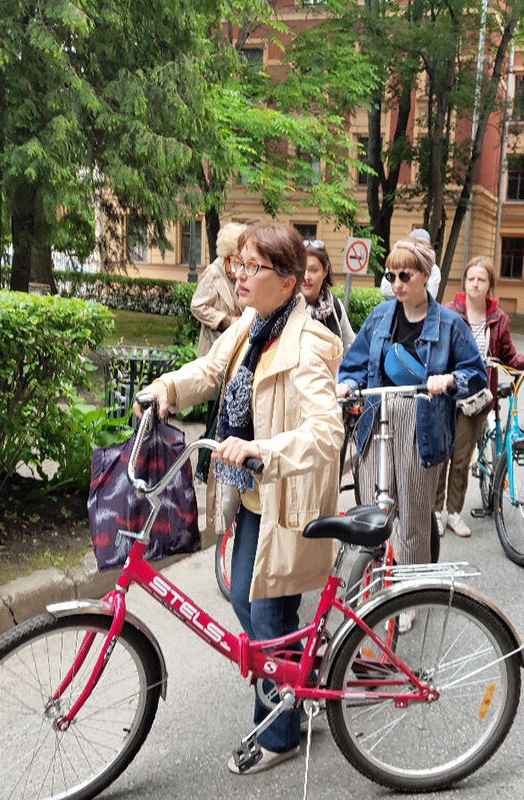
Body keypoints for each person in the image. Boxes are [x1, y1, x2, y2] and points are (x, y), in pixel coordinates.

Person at [137, 222, 343, 772]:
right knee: (251, 604)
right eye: (239, 265)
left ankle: (279, 734)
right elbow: (210, 370)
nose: (240, 275)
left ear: (289, 280)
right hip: (253, 497)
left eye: (252, 267)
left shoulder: (309, 344)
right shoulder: (252, 324)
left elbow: (327, 432)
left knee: (266, 614)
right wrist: (166, 388)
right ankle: (295, 683)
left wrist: (262, 450)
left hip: (287, 502)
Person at [337, 237, 486, 566]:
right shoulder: (379, 317)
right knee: (374, 513)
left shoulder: (449, 324)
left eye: (405, 275)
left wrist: (449, 380)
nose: (397, 284)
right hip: (376, 418)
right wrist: (347, 384)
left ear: (425, 274)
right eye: (391, 276)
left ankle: (410, 596)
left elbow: (476, 373)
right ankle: (374, 581)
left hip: (420, 427)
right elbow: (354, 364)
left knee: (414, 520)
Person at [435, 256, 524, 537]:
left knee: (461, 458)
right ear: (464, 282)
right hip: (446, 395)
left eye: (481, 280)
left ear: (490, 286)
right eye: (471, 278)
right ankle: (435, 512)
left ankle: (453, 513)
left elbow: (509, 358)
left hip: (476, 398)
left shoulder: (499, 318)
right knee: (441, 458)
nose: (475, 284)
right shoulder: (449, 312)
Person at [191, 222, 247, 358]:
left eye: (243, 262)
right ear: (227, 256)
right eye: (236, 262)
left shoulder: (241, 275)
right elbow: (197, 306)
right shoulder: (214, 273)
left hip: (234, 346)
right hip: (213, 346)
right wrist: (226, 321)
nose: (240, 268)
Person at [302, 239, 355, 351]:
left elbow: (352, 349)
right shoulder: (285, 306)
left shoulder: (334, 306)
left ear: (325, 271)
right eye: (302, 269)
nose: (306, 277)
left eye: (313, 270)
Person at [378, 228, 441, 300]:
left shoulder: (433, 269)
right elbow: (385, 291)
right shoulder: (396, 263)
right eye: (415, 246)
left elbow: (429, 297)